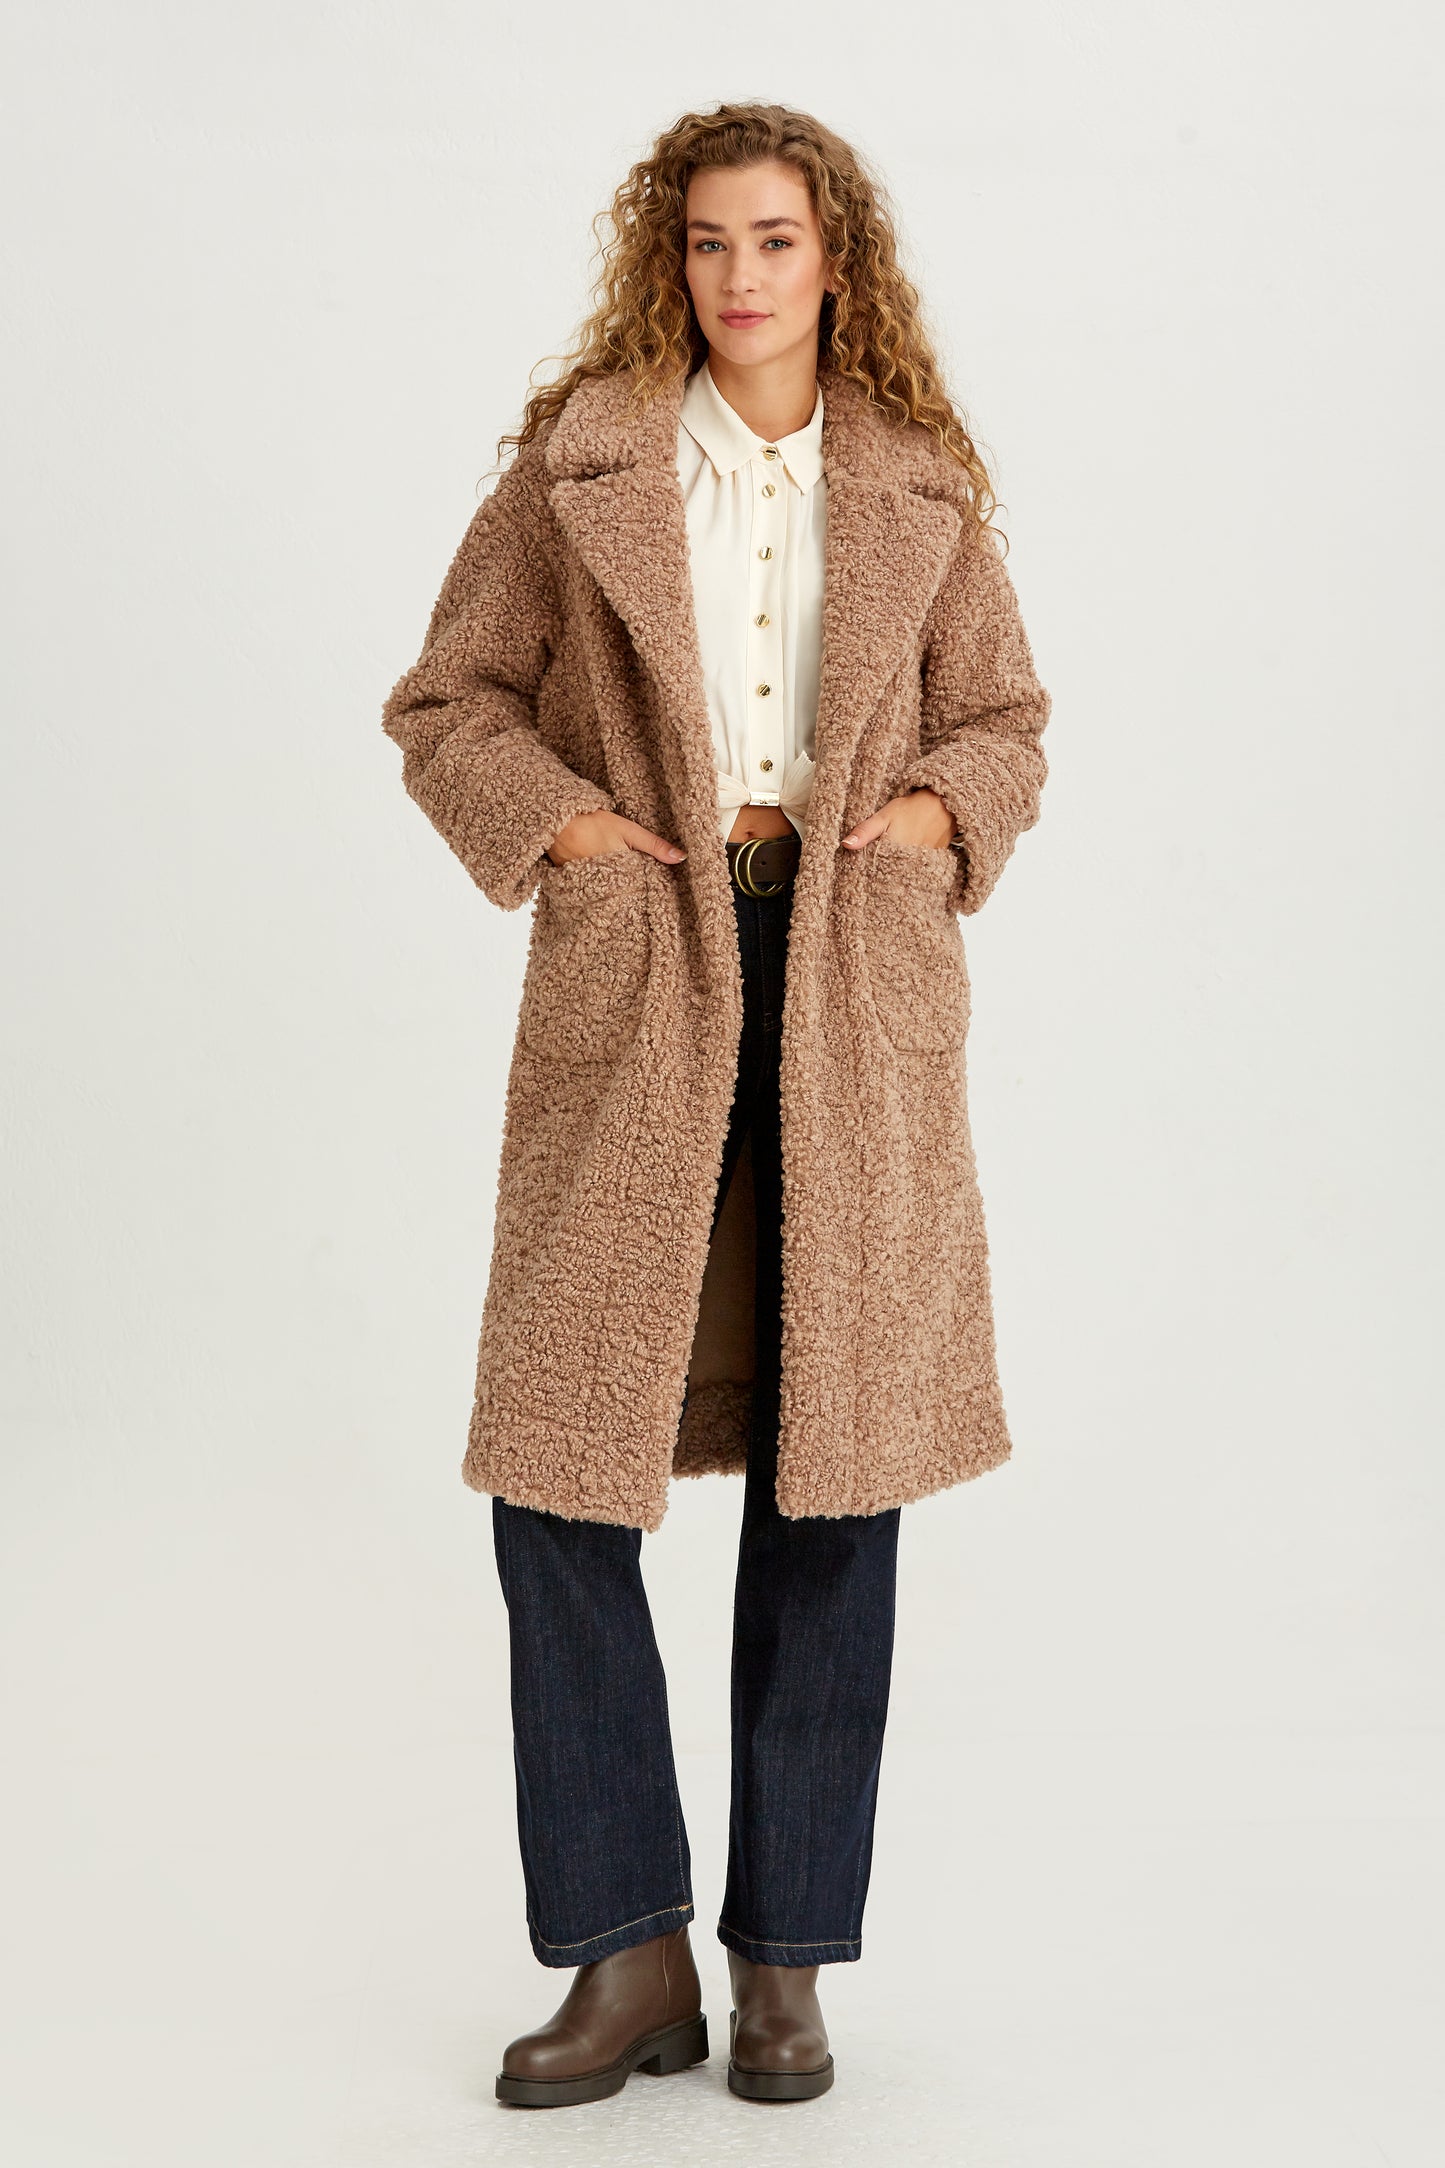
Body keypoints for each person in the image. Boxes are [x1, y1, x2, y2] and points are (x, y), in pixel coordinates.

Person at [380, 100, 1052, 2109]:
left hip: (847, 985)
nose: (739, 276)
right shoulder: (580, 470)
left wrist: (930, 823)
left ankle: (784, 1966)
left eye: (774, 240)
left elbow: (1006, 720)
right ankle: (626, 1951)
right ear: (665, 261)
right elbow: (447, 702)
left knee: (836, 1479)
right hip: (645, 974)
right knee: (557, 1473)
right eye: (705, 242)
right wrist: (566, 832)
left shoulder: (920, 484)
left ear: (836, 259)